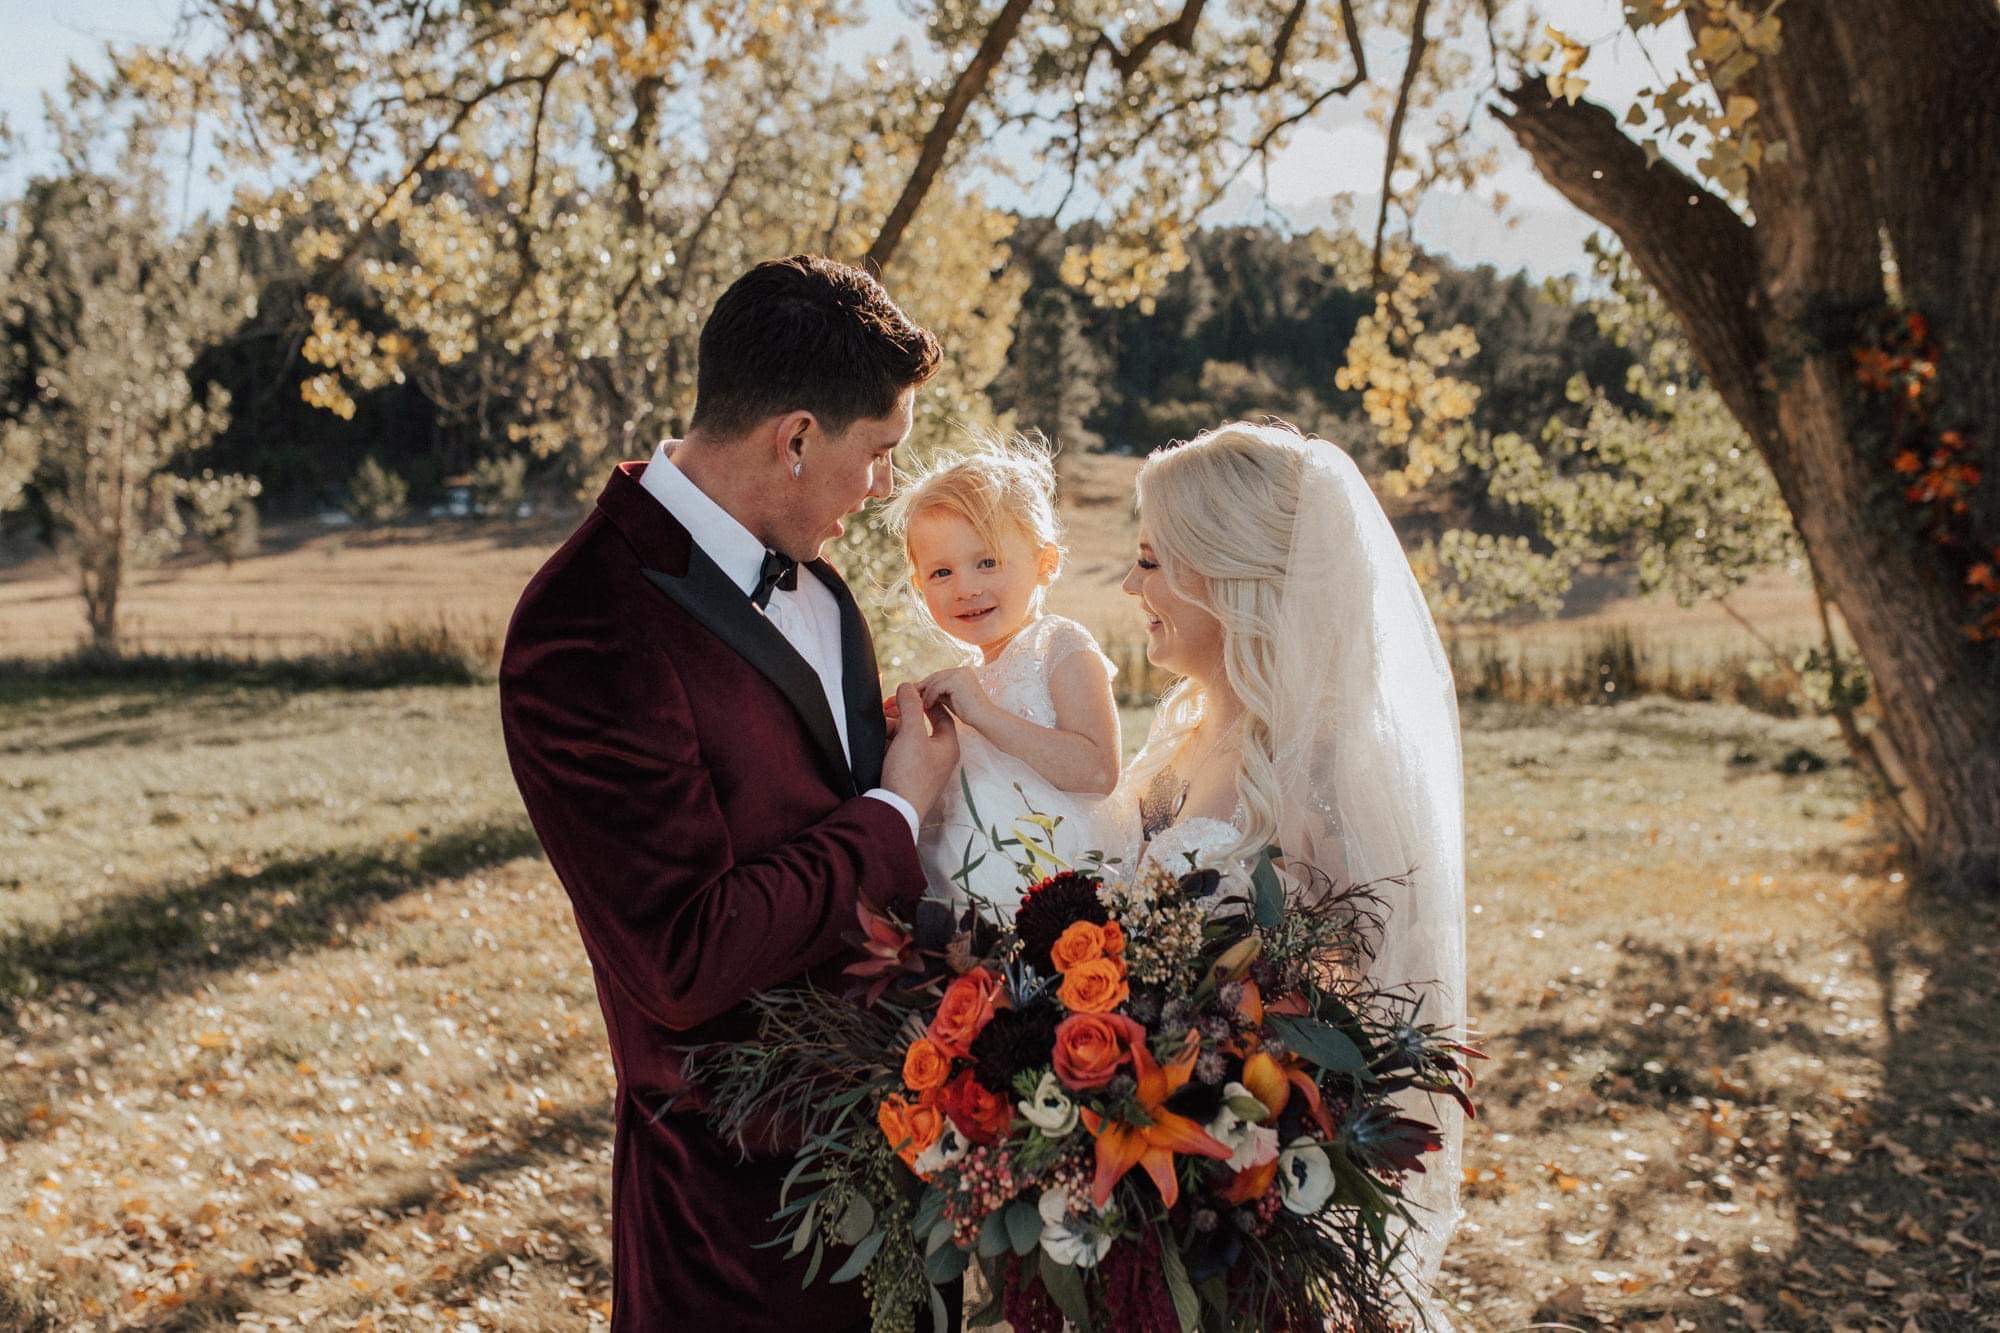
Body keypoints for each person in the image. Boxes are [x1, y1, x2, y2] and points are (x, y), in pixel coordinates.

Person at [499, 255, 964, 1333]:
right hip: (734, 1231)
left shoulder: (825, 588)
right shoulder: (583, 625)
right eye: (878, 454)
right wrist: (890, 814)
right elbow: (680, 957)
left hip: (905, 1182)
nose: (884, 488)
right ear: (794, 437)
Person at [1116, 419, 1468, 1324]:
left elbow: (1386, 1024)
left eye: (1152, 561)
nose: (1130, 585)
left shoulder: (1325, 769)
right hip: (1147, 1179)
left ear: (1223, 570)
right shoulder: (1181, 735)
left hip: (1244, 1211)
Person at [884, 435, 1123, 914]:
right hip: (969, 901)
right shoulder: (969, 678)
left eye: (987, 562)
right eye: (941, 573)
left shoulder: (1060, 645)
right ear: (919, 586)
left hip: (1059, 891)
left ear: (1045, 563)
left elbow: (1098, 771)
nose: (966, 588)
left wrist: (985, 716)